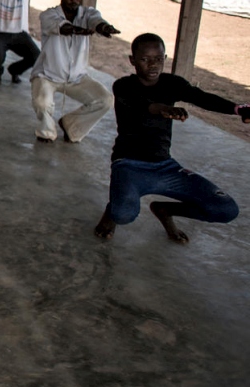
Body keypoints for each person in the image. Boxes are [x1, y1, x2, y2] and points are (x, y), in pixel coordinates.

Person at [94, 33, 247, 244]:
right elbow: (143, 104)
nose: (153, 65)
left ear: (164, 58)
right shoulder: (123, 86)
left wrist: (237, 109)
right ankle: (112, 210)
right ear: (132, 60)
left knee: (226, 209)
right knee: (123, 215)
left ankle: (164, 209)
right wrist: (164, 109)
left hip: (165, 167)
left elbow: (201, 98)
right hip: (128, 165)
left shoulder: (171, 83)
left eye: (158, 58)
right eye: (145, 59)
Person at [31, 0, 119, 143]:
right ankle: (47, 132)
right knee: (43, 102)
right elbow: (62, 27)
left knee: (105, 100)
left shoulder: (88, 14)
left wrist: (103, 27)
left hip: (77, 77)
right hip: (47, 75)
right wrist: (78, 30)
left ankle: (71, 125)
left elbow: (96, 20)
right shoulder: (49, 15)